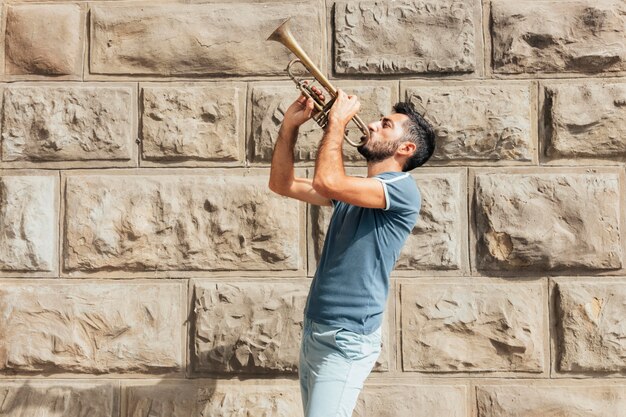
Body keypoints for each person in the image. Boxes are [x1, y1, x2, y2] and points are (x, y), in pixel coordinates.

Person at [268, 85, 435, 417]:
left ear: (405, 148)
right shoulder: (355, 191)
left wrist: (337, 124)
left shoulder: (402, 191)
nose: (372, 124)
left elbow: (330, 181)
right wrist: (290, 126)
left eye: (385, 124)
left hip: (348, 339)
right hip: (316, 329)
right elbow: (281, 183)